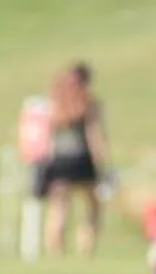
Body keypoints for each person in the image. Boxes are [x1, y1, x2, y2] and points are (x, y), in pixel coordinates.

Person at [40, 62, 112, 258]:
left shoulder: (56, 104)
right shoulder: (88, 104)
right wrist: (104, 162)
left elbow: (47, 136)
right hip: (82, 161)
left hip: (59, 161)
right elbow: (94, 136)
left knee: (59, 207)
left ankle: (56, 250)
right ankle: (86, 247)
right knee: (92, 206)